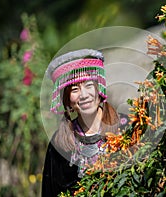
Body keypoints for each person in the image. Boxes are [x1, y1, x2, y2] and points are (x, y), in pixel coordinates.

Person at [41, 49, 128, 197]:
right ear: (67, 101)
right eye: (75, 89)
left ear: (98, 89)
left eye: (89, 85)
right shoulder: (59, 144)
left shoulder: (126, 126)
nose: (84, 95)